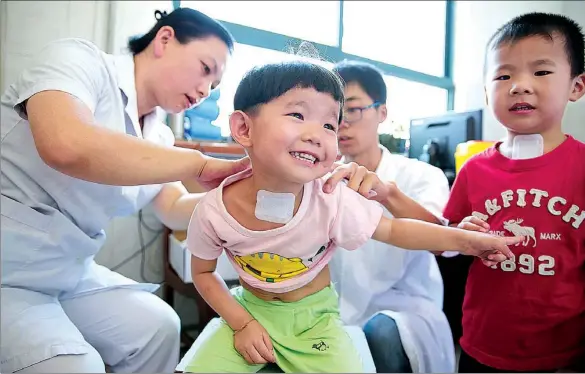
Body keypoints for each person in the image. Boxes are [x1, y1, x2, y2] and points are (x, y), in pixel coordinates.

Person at [182, 60, 522, 373]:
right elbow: (203, 271)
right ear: (243, 128)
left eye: (330, 122)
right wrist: (241, 322)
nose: (319, 133)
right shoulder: (214, 209)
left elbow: (395, 230)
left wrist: (466, 240)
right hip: (252, 309)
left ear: (382, 112)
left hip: (318, 319)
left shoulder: (331, 195)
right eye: (298, 115)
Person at [0, 7, 251, 374]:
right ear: (165, 39)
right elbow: (65, 143)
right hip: (9, 267)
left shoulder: (159, 136)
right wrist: (198, 163)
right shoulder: (79, 61)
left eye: (214, 85)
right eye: (205, 69)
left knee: (159, 327)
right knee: (76, 366)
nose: (205, 90)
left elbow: (174, 205)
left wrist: (240, 195)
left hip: (68, 271)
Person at [442, 12, 585, 373]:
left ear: (576, 86)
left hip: (563, 351)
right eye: (503, 75)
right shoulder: (474, 169)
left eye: (540, 72)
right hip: (482, 343)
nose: (519, 86)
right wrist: (464, 233)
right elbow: (452, 233)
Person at [328, 60, 456, 373]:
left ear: (381, 112)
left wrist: (389, 195)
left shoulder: (420, 175)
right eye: (333, 113)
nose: (342, 123)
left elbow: (441, 240)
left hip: (403, 309)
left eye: (354, 109)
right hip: (331, 309)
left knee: (380, 334)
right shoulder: (320, 179)